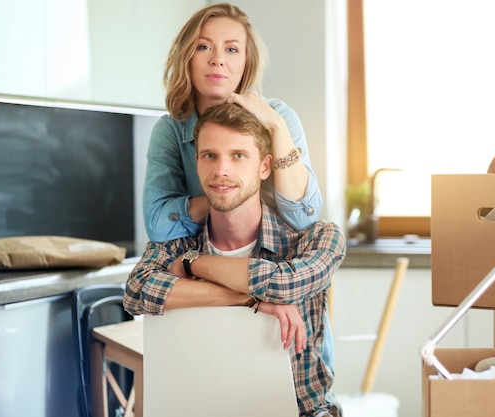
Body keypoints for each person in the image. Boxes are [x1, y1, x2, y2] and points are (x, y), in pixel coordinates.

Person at [142, 2, 334, 369]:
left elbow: (303, 213)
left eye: (232, 49)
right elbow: (158, 223)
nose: (218, 60)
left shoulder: (279, 117)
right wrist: (224, 195)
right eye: (204, 47)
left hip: (278, 286)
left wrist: (275, 127)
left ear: (246, 61)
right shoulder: (169, 131)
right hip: (204, 289)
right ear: (188, 56)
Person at [125, 103, 346, 416]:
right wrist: (253, 302)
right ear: (198, 164)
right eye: (209, 156)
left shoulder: (315, 239)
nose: (221, 170)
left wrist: (193, 266)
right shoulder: (178, 243)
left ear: (265, 167)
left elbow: (285, 284)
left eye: (238, 156)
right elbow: (136, 290)